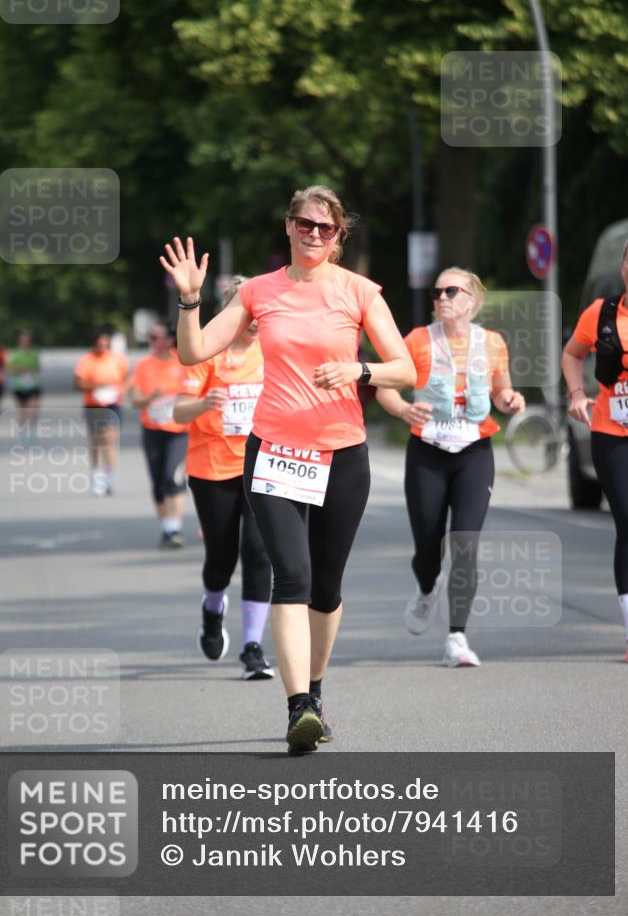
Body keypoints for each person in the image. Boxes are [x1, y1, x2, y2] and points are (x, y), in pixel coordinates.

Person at [161, 185, 416, 753]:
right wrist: (189, 300)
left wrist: (360, 370)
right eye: (305, 224)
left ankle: (316, 692)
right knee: (291, 577)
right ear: (289, 227)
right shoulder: (258, 292)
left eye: (326, 228)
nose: (314, 235)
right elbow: (193, 351)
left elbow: (404, 367)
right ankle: (298, 706)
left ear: (339, 237)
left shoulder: (359, 292)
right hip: (275, 450)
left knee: (326, 587)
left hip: (342, 452)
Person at [376, 267, 525, 667]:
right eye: (436, 292)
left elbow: (501, 388)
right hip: (427, 451)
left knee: (466, 545)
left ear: (472, 301)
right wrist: (405, 409)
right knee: (428, 547)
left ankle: (457, 637)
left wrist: (511, 399)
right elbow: (384, 386)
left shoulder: (492, 343)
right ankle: (427, 588)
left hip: (475, 453)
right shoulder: (417, 341)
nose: (441, 298)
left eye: (451, 291)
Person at [172, 276, 274, 680]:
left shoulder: (274, 351)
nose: (252, 320)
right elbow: (177, 414)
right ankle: (212, 610)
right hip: (213, 468)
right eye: (244, 311)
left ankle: (253, 646)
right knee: (221, 558)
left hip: (262, 465)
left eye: (257, 312)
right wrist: (203, 403)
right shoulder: (208, 352)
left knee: (259, 551)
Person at [562, 231, 628, 663]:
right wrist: (576, 395)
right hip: (613, 429)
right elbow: (572, 354)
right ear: (623, 267)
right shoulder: (601, 312)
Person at [129, 322, 189, 549]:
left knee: (172, 475)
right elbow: (135, 400)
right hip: (152, 429)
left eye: (156, 336)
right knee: (157, 481)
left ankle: (175, 528)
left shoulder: (182, 362)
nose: (152, 341)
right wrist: (151, 397)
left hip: (178, 430)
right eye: (150, 337)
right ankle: (166, 527)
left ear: (169, 339)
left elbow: (194, 390)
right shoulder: (144, 365)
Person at [74, 327, 129, 496]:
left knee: (109, 440)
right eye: (99, 345)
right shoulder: (87, 361)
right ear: (94, 345)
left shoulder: (117, 359)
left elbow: (126, 379)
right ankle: (96, 476)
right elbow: (78, 384)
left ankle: (109, 478)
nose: (102, 348)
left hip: (112, 405)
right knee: (96, 442)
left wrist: (121, 391)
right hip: (94, 405)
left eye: (105, 345)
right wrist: (98, 385)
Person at [8, 330, 42, 430]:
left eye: (27, 340)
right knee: (23, 412)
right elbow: (9, 369)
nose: (25, 342)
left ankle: (32, 431)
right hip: (19, 385)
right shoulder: (15, 353)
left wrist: (32, 371)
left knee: (33, 409)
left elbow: (38, 367)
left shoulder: (35, 352)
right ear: (20, 341)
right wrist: (20, 370)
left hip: (33, 385)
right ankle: (22, 435)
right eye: (23, 340)